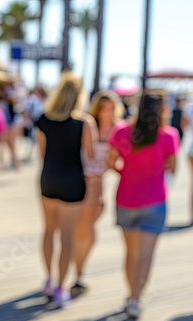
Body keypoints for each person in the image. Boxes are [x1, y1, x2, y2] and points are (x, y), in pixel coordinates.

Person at [106, 92, 179, 319]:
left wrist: (123, 172)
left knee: (131, 253)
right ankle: (135, 299)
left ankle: (131, 294)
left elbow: (110, 161)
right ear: (162, 110)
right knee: (146, 256)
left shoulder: (121, 131)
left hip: (126, 199)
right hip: (155, 201)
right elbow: (172, 168)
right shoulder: (169, 135)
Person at [34, 72, 94, 307]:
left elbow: (42, 152)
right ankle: (61, 287)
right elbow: (89, 155)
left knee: (49, 230)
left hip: (49, 178)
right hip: (73, 181)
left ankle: (48, 280)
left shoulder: (44, 119)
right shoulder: (84, 122)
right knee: (67, 235)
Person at [71, 90, 125, 298]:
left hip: (100, 185)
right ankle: (77, 274)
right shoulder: (87, 125)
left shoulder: (117, 129)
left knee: (88, 230)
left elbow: (118, 159)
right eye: (104, 108)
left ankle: (77, 270)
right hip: (83, 183)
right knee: (85, 231)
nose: (108, 112)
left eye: (111, 108)